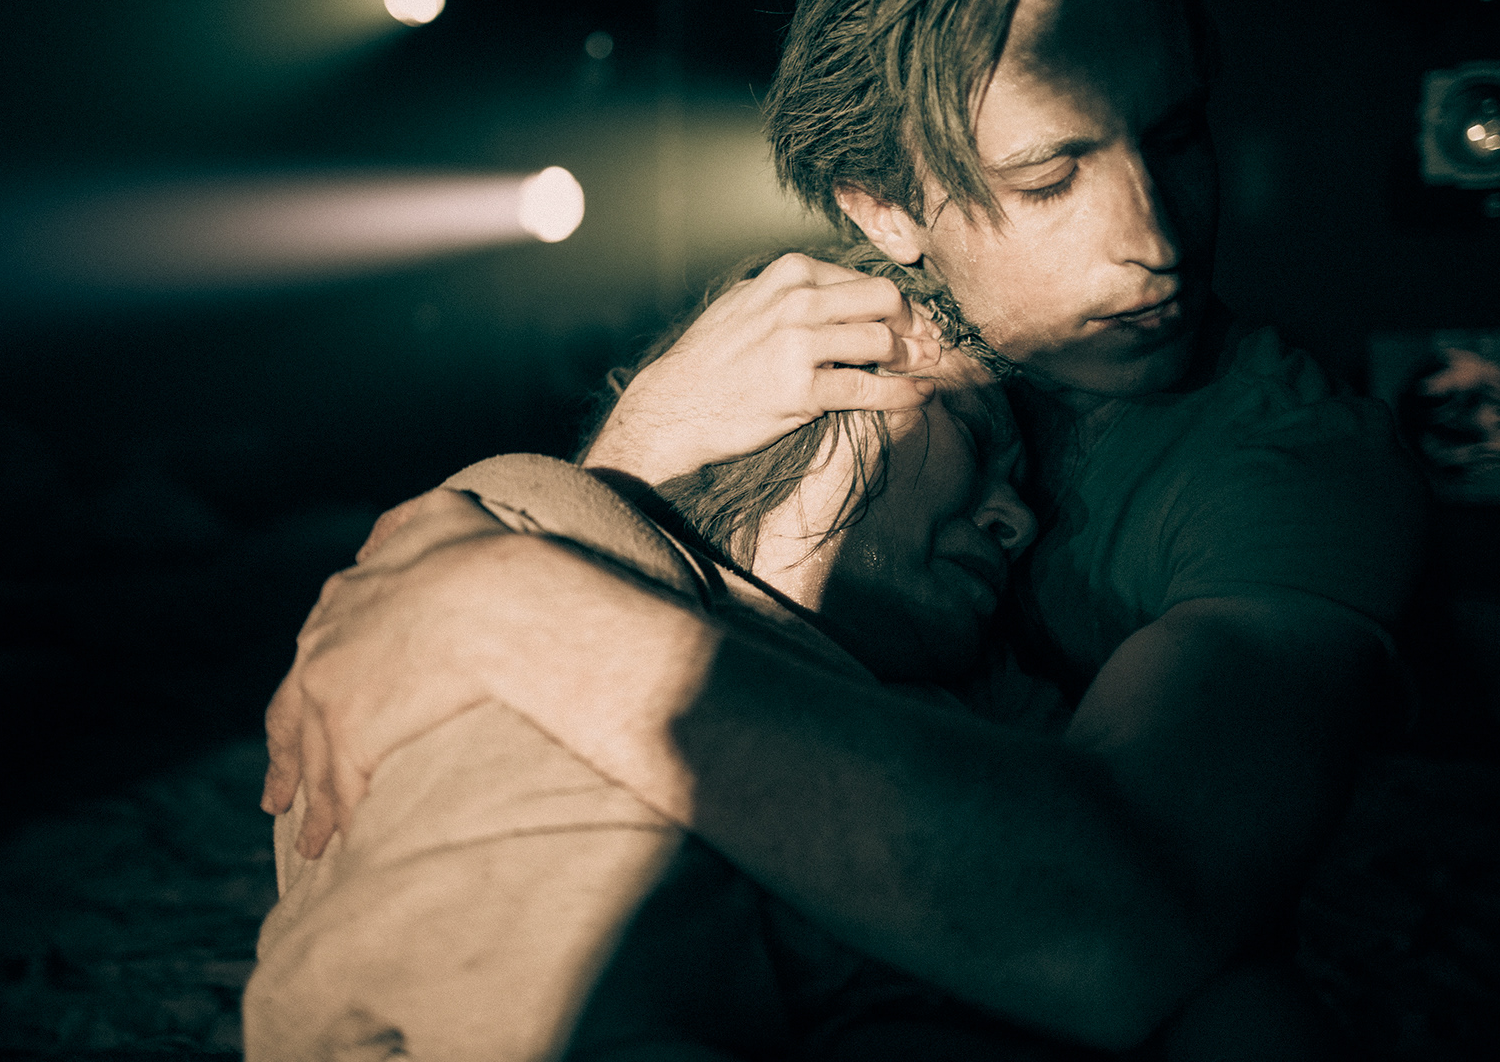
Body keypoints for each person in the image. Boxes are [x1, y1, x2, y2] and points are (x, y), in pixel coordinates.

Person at [262, 0, 1429, 1055]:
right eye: (1050, 177)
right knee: (520, 509)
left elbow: (1125, 918)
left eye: (1177, 135)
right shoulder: (831, 332)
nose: (1157, 238)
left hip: (976, 961)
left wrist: (508, 604)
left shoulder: (1288, 461)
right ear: (888, 210)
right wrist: (643, 442)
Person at [246, 246, 1048, 1059]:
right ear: (805, 373)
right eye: (973, 435)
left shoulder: (1000, 718)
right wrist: (637, 452)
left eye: (1023, 488)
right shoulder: (521, 534)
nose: (1018, 521)